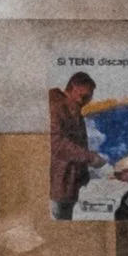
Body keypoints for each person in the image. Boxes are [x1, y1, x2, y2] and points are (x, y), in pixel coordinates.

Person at [48, 66, 97, 216]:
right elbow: (57, 144)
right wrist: (90, 157)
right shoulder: (56, 109)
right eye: (86, 96)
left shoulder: (73, 109)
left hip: (68, 187)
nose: (88, 100)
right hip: (58, 188)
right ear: (75, 89)